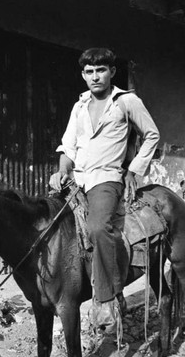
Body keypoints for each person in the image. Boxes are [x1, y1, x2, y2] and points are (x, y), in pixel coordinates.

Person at [49, 47, 160, 332]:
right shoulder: (80, 106)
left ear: (111, 71)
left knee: (99, 227)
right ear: (83, 74)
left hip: (106, 178)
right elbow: (68, 146)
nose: (95, 77)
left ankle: (108, 298)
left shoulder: (126, 101)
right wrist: (62, 170)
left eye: (101, 70)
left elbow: (152, 134)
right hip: (77, 177)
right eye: (89, 71)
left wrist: (134, 169)